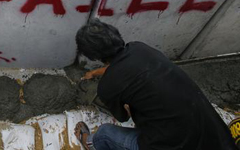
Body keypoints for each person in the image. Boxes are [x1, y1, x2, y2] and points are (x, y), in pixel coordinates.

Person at [73, 19, 238, 150]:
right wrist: (96, 73)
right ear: (115, 35)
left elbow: (124, 117)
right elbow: (123, 64)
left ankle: (89, 143)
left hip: (172, 145)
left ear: (93, 56)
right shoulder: (140, 49)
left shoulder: (107, 87)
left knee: (104, 133)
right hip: (214, 137)